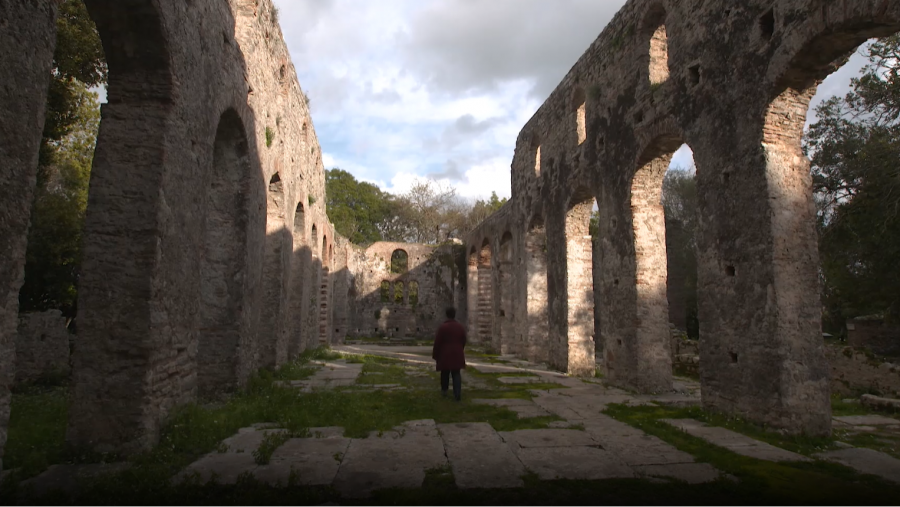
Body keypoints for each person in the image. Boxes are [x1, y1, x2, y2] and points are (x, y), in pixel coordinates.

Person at [432, 307, 467, 401]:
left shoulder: (443, 327)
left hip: (445, 354)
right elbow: (464, 340)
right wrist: (460, 349)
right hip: (457, 353)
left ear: (446, 315)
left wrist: (435, 354)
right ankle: (457, 393)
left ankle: (444, 390)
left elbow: (438, 342)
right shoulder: (460, 327)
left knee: (445, 373)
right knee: (456, 373)